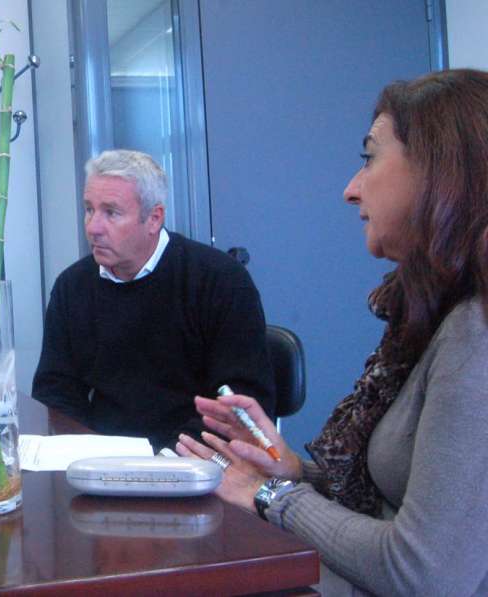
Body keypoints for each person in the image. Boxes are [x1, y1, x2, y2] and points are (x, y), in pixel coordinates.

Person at [177, 69, 488, 596]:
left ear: (440, 173)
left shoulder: (476, 333)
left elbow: (423, 573)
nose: (350, 189)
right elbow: (395, 506)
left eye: (370, 157)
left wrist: (270, 494)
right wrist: (294, 471)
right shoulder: (435, 316)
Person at [33, 149, 275, 450]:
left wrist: (166, 461)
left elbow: (239, 403)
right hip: (102, 458)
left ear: (154, 218)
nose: (93, 227)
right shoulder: (72, 286)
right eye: (89, 209)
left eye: (111, 212)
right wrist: (86, 454)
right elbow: (55, 393)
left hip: (192, 459)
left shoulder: (220, 281)